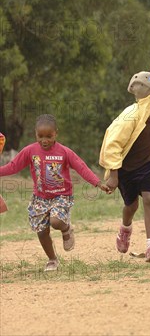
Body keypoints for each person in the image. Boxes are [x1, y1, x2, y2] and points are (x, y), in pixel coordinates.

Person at [0, 115, 110, 271]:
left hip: (62, 196)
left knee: (56, 221)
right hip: (40, 197)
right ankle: (52, 260)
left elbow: (81, 167)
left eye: (49, 136)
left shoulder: (64, 152)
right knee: (41, 231)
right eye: (41, 136)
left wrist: (97, 183)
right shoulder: (30, 151)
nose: (45, 140)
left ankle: (66, 229)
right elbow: (13, 166)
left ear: (55, 134)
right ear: (35, 134)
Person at [99, 71, 150, 263]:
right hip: (126, 168)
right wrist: (113, 174)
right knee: (131, 205)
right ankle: (125, 228)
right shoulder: (131, 116)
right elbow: (113, 144)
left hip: (147, 164)